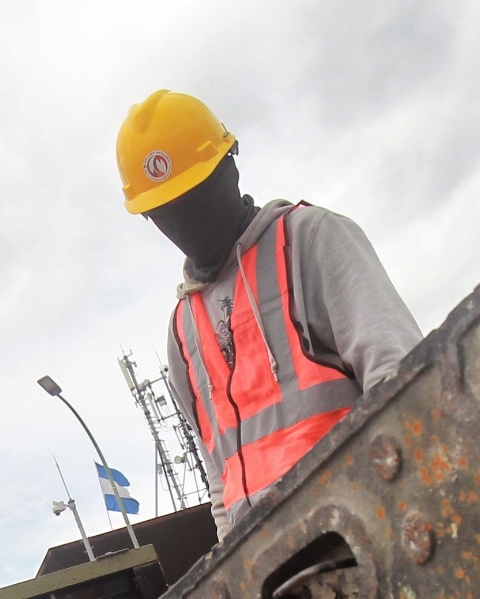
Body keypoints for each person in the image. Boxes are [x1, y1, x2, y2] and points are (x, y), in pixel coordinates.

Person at [118, 90, 422, 533]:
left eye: (196, 196)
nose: (187, 220)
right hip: (275, 562)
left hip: (364, 520)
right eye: (168, 211)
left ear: (230, 168)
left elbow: (398, 374)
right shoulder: (183, 329)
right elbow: (220, 479)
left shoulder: (308, 240)